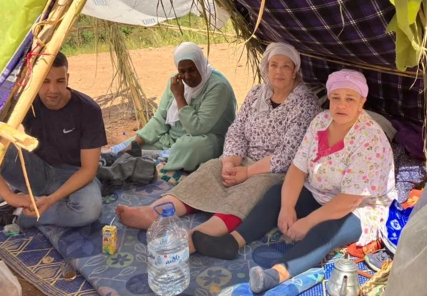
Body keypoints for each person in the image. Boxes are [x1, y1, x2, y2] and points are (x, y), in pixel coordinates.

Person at [192, 70, 396, 294]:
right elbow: (298, 169)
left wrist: (307, 222)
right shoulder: (321, 122)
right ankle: (231, 242)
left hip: (360, 208)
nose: (341, 105)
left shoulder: (369, 138)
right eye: (336, 97)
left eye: (350, 99)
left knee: (327, 230)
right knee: (275, 195)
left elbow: (349, 200)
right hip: (321, 192)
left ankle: (275, 274)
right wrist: (288, 208)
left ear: (362, 102)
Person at [116, 42, 320, 252]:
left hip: (274, 170)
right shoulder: (257, 93)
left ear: (295, 70)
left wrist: (248, 172)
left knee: (252, 191)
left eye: (286, 66)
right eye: (274, 65)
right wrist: (230, 161)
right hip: (244, 159)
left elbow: (289, 154)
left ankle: (198, 236)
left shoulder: (304, 103)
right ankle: (154, 212)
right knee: (209, 171)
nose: (279, 71)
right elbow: (237, 129)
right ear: (266, 67)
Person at [0, 52, 107, 229]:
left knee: (89, 210)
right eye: (45, 81)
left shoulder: (88, 110)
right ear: (35, 80)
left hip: (73, 175)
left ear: (67, 78)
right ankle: (15, 201)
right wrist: (9, 196)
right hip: (35, 169)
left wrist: (51, 200)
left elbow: (89, 170)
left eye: (59, 81)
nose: (52, 90)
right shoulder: (25, 102)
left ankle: (17, 214)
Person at [116, 42, 237, 172]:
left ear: (200, 65)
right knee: (132, 144)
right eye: (182, 71)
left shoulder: (218, 86)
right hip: (172, 139)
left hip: (207, 139)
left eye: (192, 69)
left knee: (191, 147)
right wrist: (136, 142)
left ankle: (162, 162)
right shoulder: (175, 82)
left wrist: (179, 97)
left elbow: (197, 128)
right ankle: (162, 157)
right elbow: (160, 118)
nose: (187, 76)